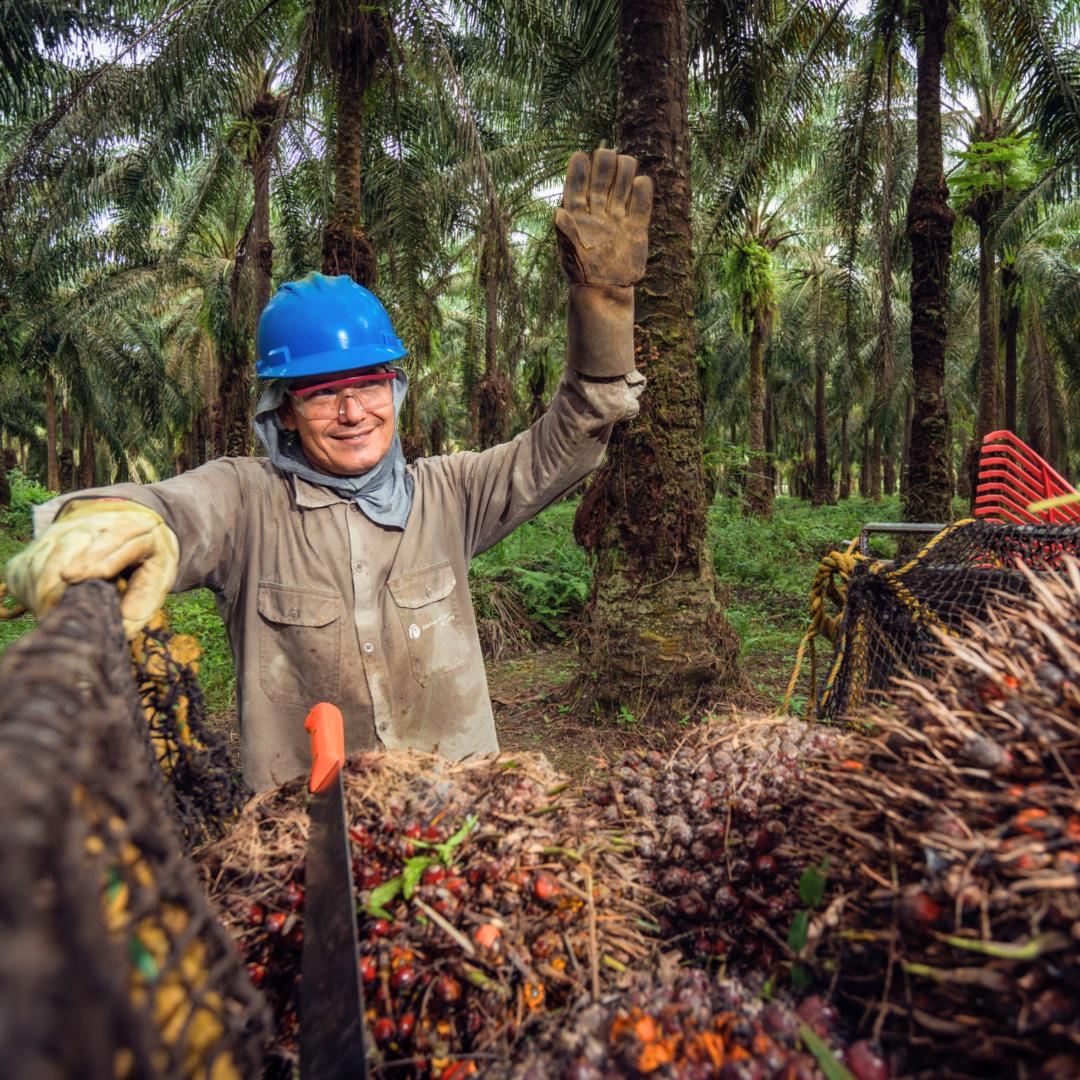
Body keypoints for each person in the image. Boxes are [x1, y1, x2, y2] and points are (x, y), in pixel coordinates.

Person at [6, 149, 653, 791]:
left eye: (369, 385)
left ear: (394, 392)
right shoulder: (245, 505)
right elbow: (172, 513)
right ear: (284, 410)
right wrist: (101, 523)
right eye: (320, 392)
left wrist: (605, 307)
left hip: (466, 824)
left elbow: (568, 437)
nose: (352, 412)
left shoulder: (450, 495)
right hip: (307, 845)